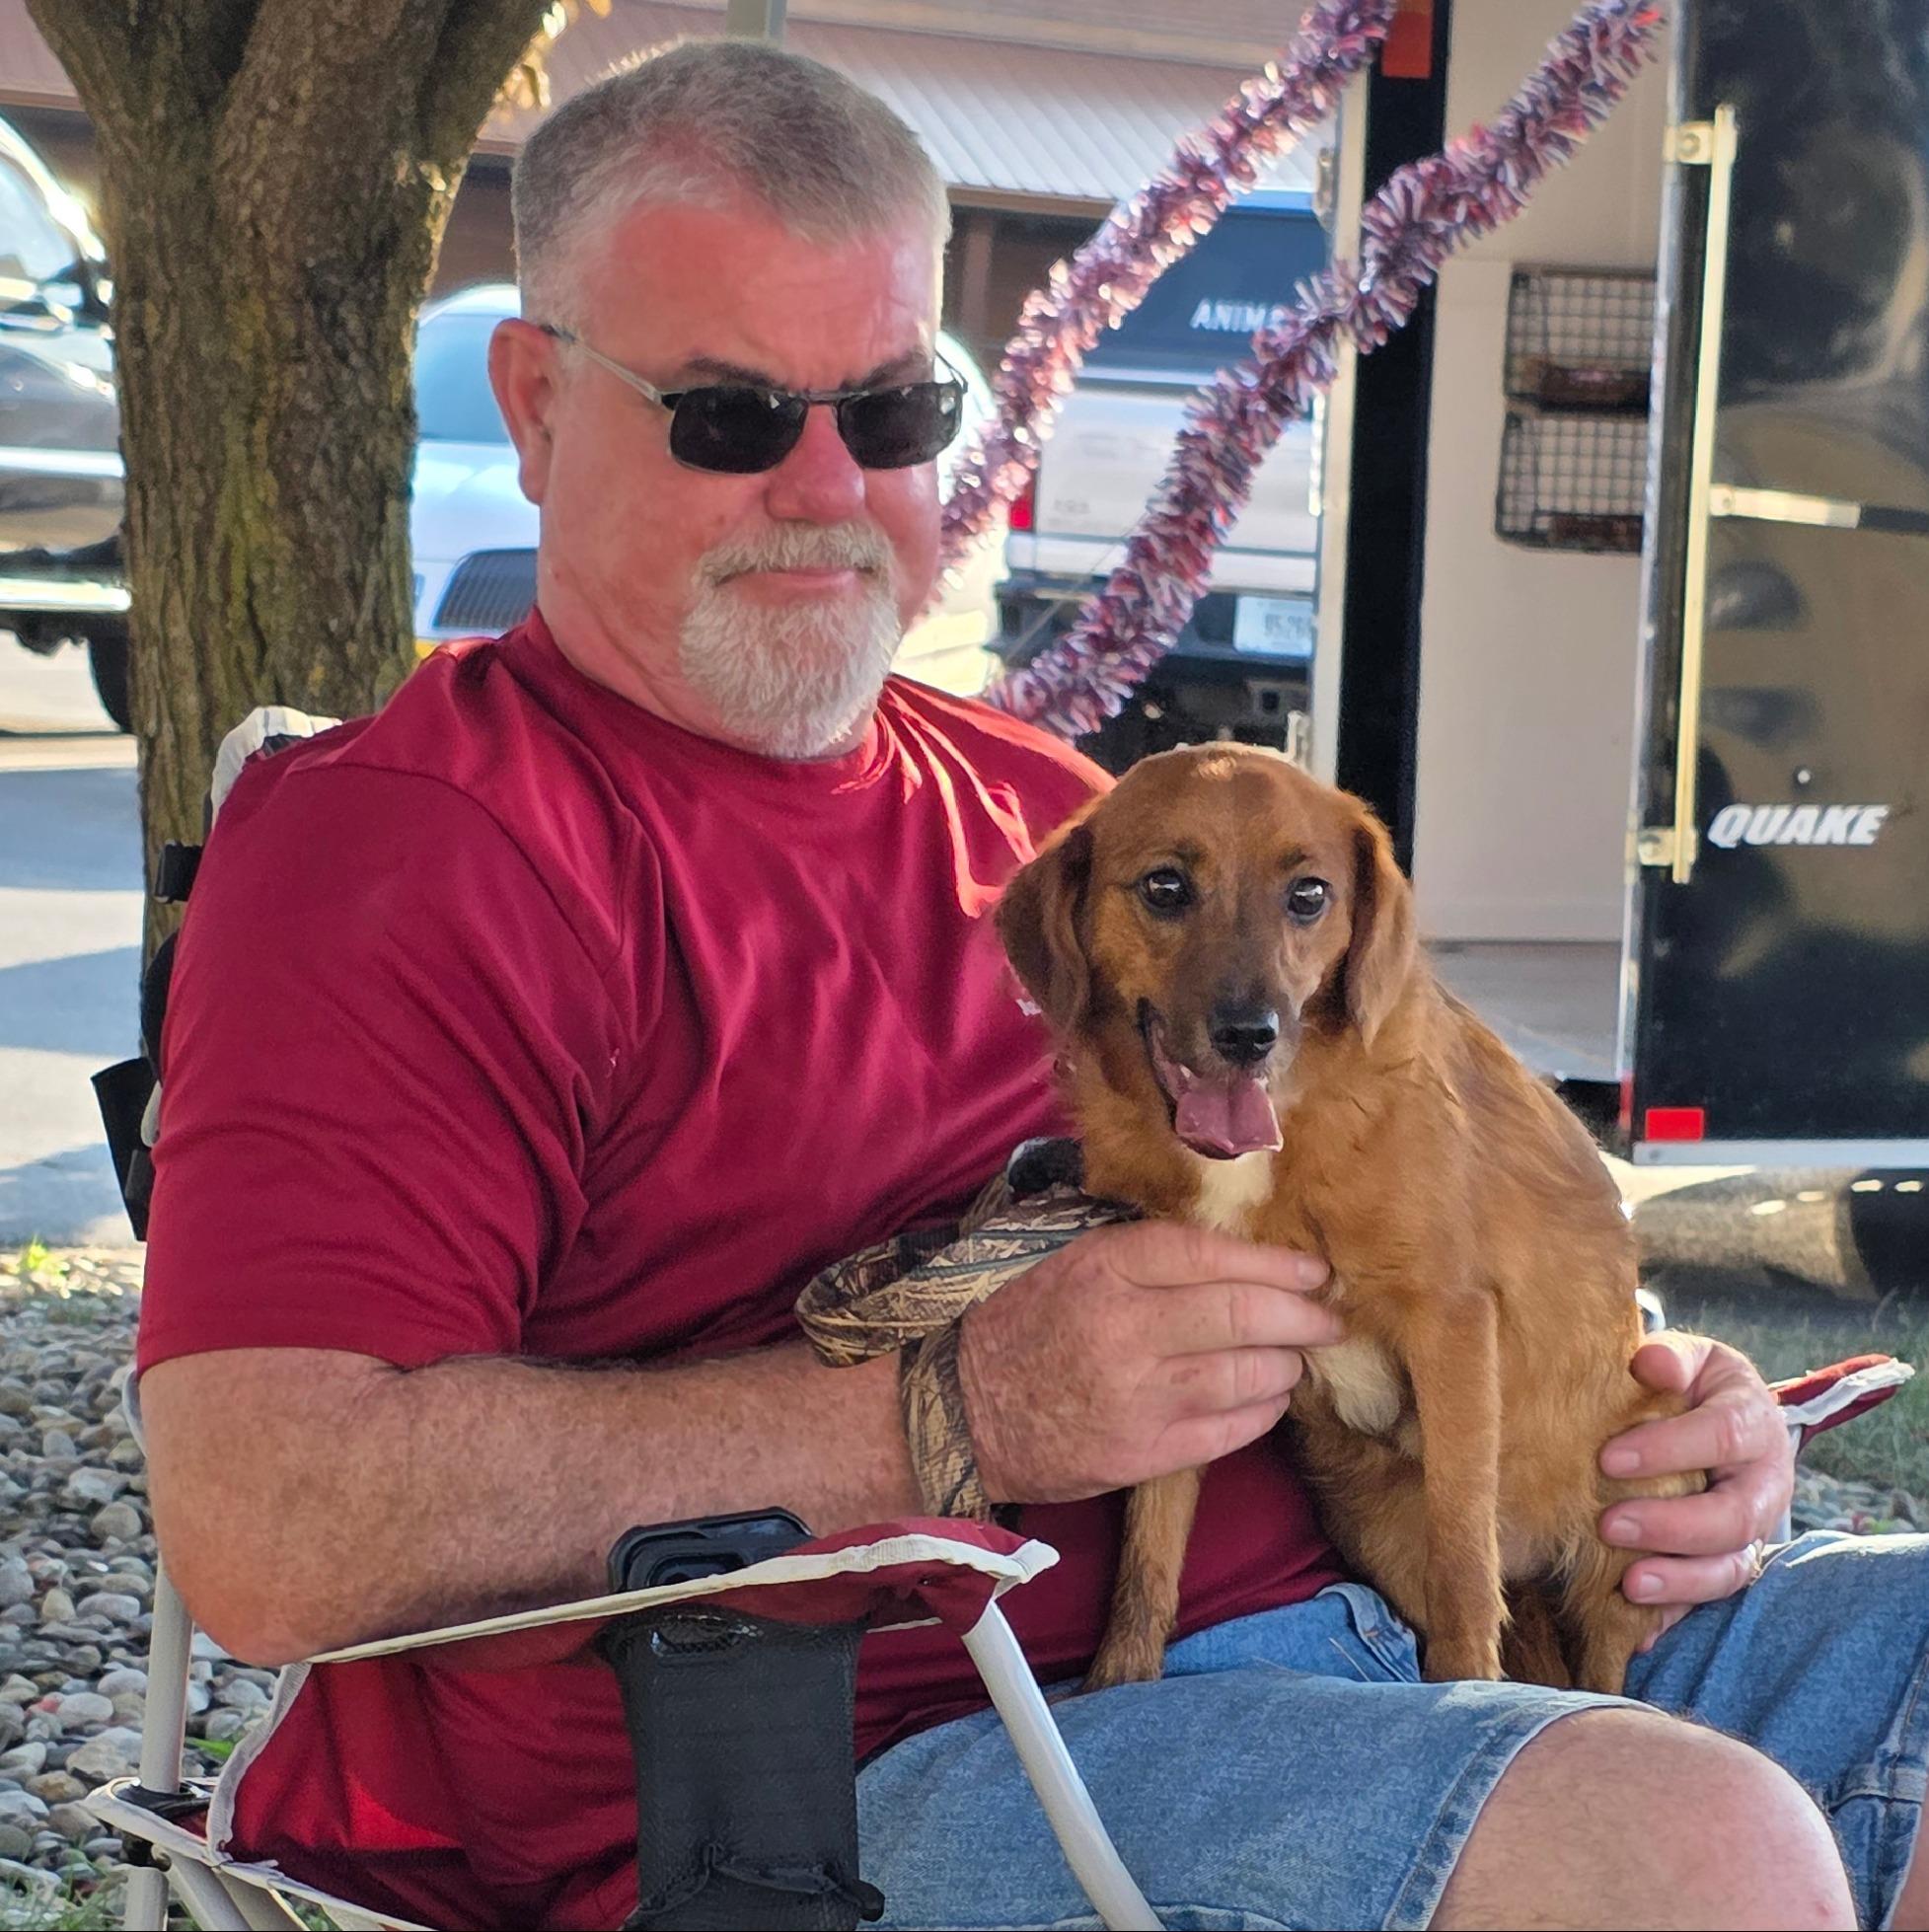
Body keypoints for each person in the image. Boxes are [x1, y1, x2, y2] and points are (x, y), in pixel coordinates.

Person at [135, 39, 1924, 1932]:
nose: (826, 492)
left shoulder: (1066, 820)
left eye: (893, 411)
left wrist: (1666, 1415)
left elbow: (1451, 1177)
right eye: (732, 417)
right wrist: (945, 1414)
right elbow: (268, 1517)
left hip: (1405, 1626)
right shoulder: (412, 848)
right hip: (879, 1769)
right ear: (535, 402)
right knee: (1682, 1851)